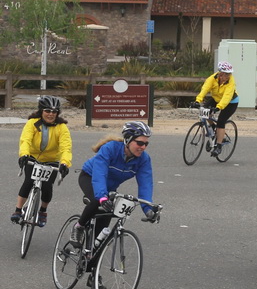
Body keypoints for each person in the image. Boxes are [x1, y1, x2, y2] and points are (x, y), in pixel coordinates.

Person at [70, 121, 158, 250]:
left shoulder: (143, 159)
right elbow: (99, 174)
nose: (143, 147)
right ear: (128, 140)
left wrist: (148, 209)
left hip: (110, 187)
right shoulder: (110, 149)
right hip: (90, 177)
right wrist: (102, 196)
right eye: (140, 143)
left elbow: (146, 184)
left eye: (146, 144)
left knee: (103, 229)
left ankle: (93, 254)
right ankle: (79, 226)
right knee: (97, 200)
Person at [11, 96, 72, 227]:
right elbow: (25, 140)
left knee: (47, 187)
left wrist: (65, 163)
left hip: (51, 160)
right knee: (28, 181)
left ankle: (43, 211)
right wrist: (24, 155)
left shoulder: (61, 127)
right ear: (41, 111)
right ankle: (18, 210)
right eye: (47, 111)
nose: (51, 114)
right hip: (33, 157)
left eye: (54, 111)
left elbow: (66, 147)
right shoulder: (33, 123)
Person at [192, 61, 239, 157]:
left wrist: (218, 107)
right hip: (216, 98)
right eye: (226, 74)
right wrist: (197, 100)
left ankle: (219, 146)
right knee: (204, 112)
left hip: (230, 102)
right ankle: (213, 129)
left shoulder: (231, 81)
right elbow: (205, 89)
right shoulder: (212, 79)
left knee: (221, 122)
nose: (228, 76)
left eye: (229, 74)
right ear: (220, 74)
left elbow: (227, 96)